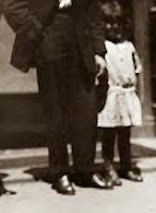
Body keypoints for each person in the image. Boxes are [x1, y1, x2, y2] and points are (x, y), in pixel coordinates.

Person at [4, 0, 113, 195]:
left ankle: (85, 170)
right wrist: (34, 31)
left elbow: (93, 10)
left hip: (80, 38)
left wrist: (98, 51)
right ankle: (59, 172)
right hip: (48, 34)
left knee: (86, 107)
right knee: (55, 111)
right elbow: (11, 5)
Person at [97, 0, 143, 185]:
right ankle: (108, 167)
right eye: (108, 23)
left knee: (125, 134)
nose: (113, 28)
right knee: (109, 134)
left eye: (117, 23)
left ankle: (126, 166)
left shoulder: (129, 46)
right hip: (110, 95)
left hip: (127, 94)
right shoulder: (103, 47)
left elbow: (137, 69)